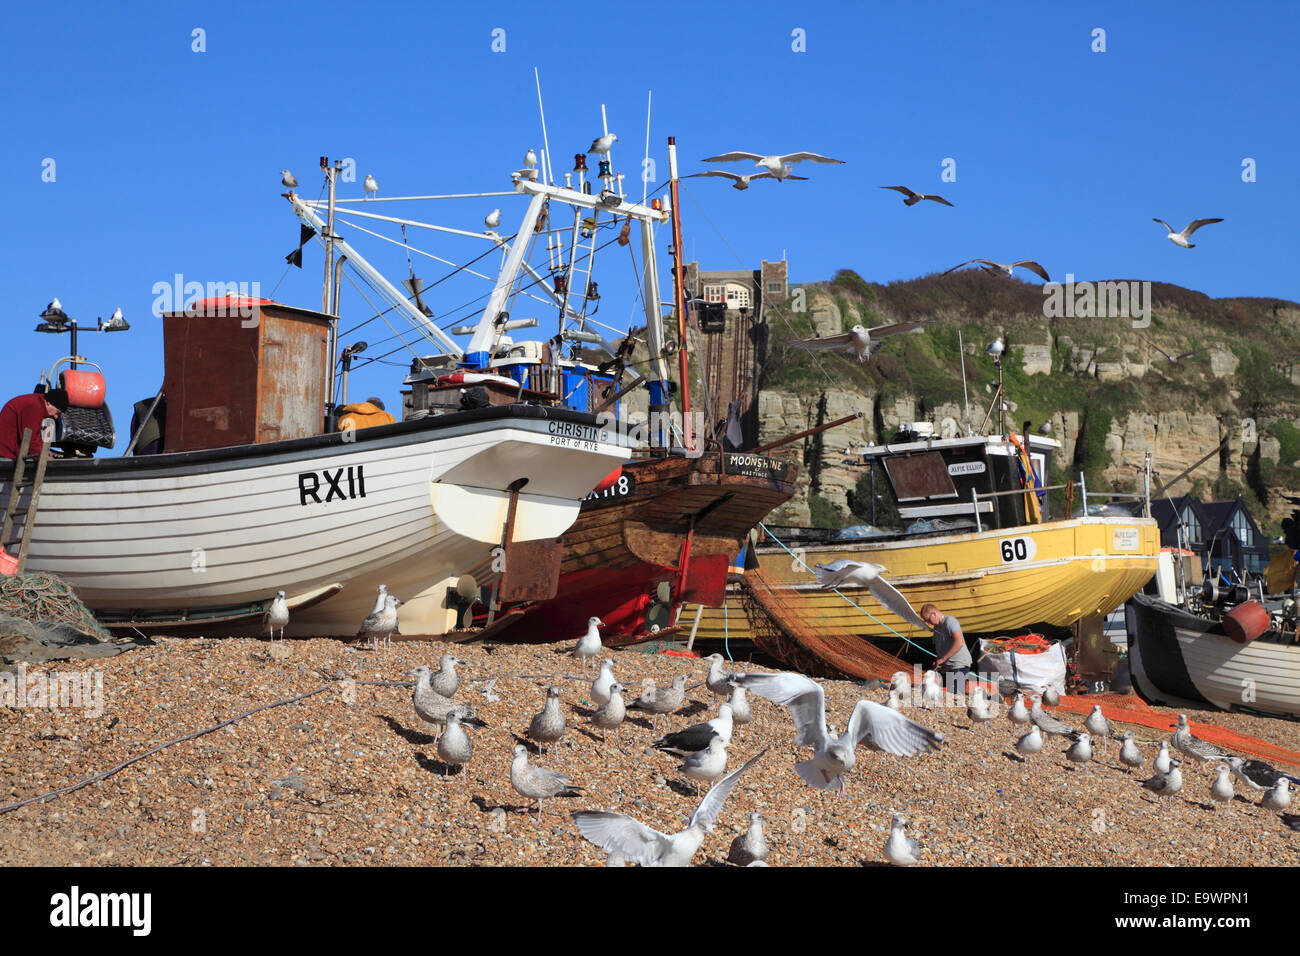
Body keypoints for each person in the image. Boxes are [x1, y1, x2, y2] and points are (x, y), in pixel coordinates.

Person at [0, 388, 68, 459]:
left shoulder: (37, 403)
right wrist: (45, 458)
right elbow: (31, 441)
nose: (56, 417)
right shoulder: (34, 407)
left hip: (12, 451)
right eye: (57, 412)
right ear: (49, 403)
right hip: (6, 454)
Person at [921, 602, 972, 691]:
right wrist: (939, 662)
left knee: (956, 696)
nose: (928, 623)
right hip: (948, 668)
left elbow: (959, 642)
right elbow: (940, 648)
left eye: (928, 620)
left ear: (934, 614)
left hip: (959, 666)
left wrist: (943, 659)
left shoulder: (950, 621)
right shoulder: (937, 628)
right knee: (948, 695)